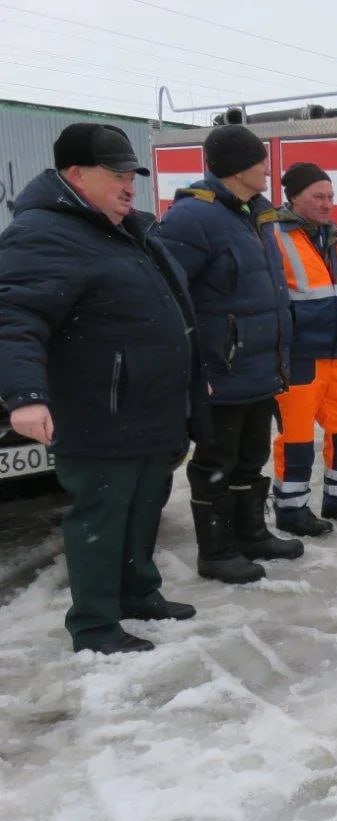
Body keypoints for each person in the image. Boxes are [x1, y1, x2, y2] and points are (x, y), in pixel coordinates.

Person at [0, 124, 204, 654]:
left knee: (143, 509)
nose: (128, 184)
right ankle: (93, 625)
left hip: (148, 410)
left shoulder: (122, 229)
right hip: (100, 411)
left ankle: (138, 593)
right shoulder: (45, 233)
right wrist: (25, 396)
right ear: (74, 175)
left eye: (131, 173)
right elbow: (14, 316)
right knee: (102, 517)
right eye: (115, 174)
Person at [158, 124, 301, 584]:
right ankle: (216, 552)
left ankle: (250, 533)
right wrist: (197, 363)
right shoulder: (192, 219)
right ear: (238, 167)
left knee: (250, 456)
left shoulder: (255, 213)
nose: (268, 168)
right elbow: (168, 296)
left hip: (260, 368)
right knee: (216, 461)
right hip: (222, 370)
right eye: (261, 160)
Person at [270, 162, 337, 535]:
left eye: (331, 196)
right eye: (318, 196)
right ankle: (290, 509)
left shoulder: (333, 238)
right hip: (299, 359)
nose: (327, 203)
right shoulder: (275, 236)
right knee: (297, 439)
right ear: (294, 197)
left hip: (335, 357)